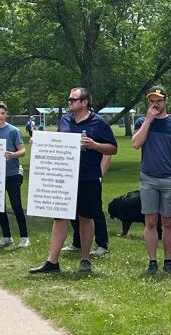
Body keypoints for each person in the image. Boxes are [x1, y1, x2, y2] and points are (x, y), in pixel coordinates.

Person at [29, 87, 117, 273]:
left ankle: (85, 259)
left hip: (89, 177)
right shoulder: (65, 121)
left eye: (73, 99)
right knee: (60, 217)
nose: (69, 102)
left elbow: (112, 148)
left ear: (84, 102)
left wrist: (95, 145)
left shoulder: (99, 123)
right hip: (64, 178)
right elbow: (57, 145)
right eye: (69, 99)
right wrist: (40, 143)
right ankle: (52, 262)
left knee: (86, 217)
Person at [131, 85, 171, 274]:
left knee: (168, 221)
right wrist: (148, 120)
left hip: (169, 179)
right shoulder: (142, 121)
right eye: (152, 101)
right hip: (148, 179)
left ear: (165, 101)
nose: (155, 104)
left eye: (159, 101)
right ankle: (152, 261)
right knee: (151, 221)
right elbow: (136, 144)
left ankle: (168, 261)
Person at [0, 100, 30, 249]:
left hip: (13, 174)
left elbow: (23, 151)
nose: (0, 116)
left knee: (16, 205)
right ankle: (6, 237)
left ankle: (24, 237)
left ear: (6, 114)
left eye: (3, 113)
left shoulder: (13, 131)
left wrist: (12, 155)